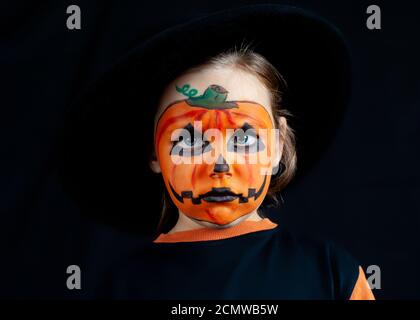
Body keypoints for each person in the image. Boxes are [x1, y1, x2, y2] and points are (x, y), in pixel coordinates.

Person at [61, 4, 375, 299]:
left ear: (278, 146)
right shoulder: (121, 287)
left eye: (244, 138)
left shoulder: (333, 275)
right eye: (189, 140)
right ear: (155, 152)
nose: (220, 163)